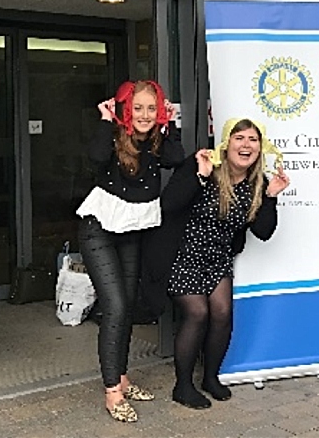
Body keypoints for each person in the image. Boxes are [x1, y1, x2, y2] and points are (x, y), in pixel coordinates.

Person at [149, 118, 289, 410]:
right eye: (239, 138)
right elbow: (170, 203)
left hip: (218, 259)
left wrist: (272, 196)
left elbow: (263, 232)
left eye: (252, 139)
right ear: (227, 144)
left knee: (223, 312)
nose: (246, 145)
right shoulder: (204, 165)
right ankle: (183, 386)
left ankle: (210, 378)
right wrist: (199, 177)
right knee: (198, 313)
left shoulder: (257, 183)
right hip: (184, 255)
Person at [76, 80, 184, 422]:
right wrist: (106, 120)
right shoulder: (113, 135)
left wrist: (173, 124)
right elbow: (94, 156)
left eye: (152, 108)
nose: (145, 115)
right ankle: (112, 392)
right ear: (126, 109)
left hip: (131, 230)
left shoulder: (156, 140)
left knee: (129, 305)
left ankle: (122, 377)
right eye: (138, 108)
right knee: (117, 306)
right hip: (99, 230)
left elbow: (176, 158)